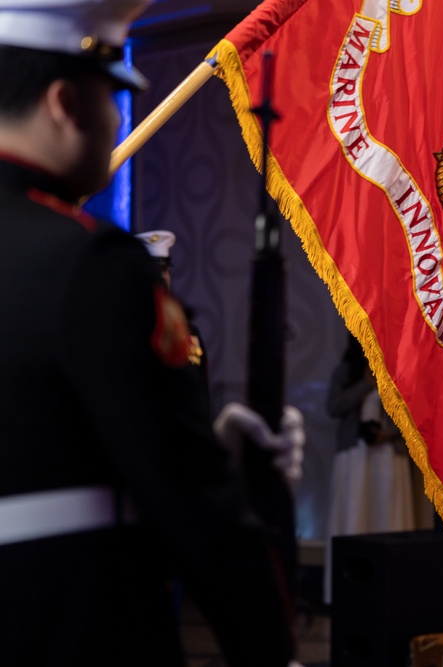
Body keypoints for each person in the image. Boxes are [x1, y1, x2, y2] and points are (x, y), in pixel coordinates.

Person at [0, 2, 303, 665]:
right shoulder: (89, 263)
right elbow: (197, 509)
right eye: (111, 97)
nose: (116, 122)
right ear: (62, 103)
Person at [136, 229, 209, 407]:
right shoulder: (128, 333)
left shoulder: (190, 334)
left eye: (164, 268)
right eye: (154, 270)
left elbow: (200, 392)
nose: (161, 276)